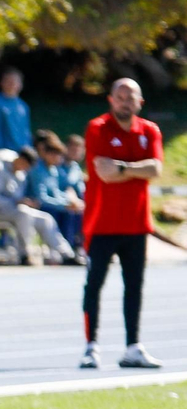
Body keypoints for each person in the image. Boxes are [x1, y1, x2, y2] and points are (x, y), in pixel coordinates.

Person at [80, 78, 164, 370]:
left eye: (131, 97)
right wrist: (135, 169)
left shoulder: (149, 130)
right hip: (101, 223)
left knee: (134, 287)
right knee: (94, 284)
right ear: (110, 99)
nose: (125, 101)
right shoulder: (97, 128)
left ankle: (133, 347)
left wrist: (123, 167)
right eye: (120, 96)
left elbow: (156, 168)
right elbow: (103, 172)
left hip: (136, 224)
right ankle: (91, 347)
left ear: (140, 102)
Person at [0, 146, 76, 265]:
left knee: (45, 218)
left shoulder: (21, 175)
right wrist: (16, 203)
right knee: (23, 213)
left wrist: (26, 202)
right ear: (20, 159)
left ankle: (66, 254)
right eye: (25, 165)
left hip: (14, 211)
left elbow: (18, 198)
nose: (25, 169)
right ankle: (24, 254)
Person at [24, 131, 84, 256]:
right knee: (64, 212)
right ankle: (65, 251)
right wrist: (64, 205)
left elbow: (56, 193)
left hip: (52, 203)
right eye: (56, 155)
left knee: (75, 211)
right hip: (37, 204)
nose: (59, 159)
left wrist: (69, 202)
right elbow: (42, 198)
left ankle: (76, 247)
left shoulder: (53, 169)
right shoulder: (37, 170)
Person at [0, 67, 33, 154]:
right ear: (2, 83)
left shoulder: (23, 106)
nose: (12, 84)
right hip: (6, 152)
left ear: (20, 85)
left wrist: (28, 148)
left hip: (23, 152)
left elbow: (26, 130)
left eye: (15, 81)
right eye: (8, 81)